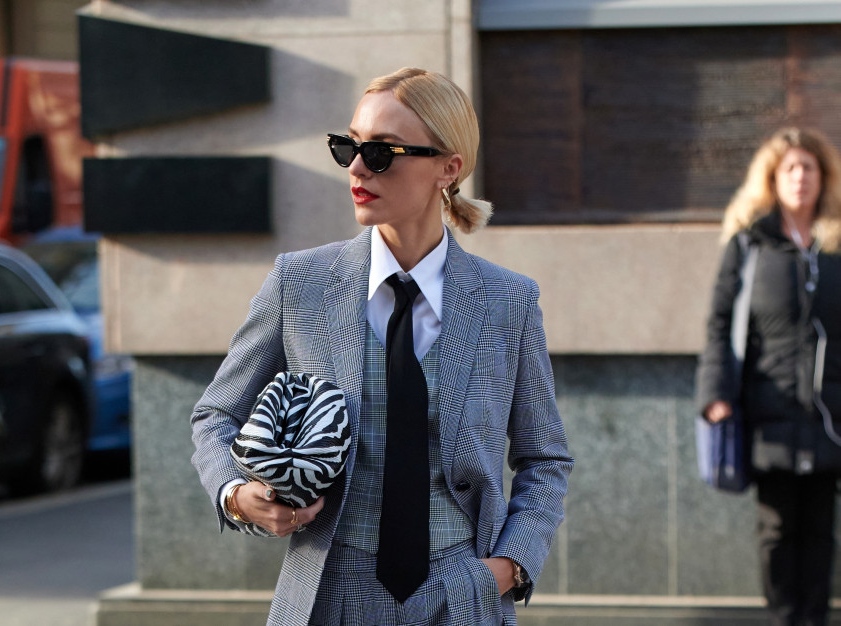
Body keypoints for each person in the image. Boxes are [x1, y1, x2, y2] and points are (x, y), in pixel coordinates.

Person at [191, 67, 572, 626]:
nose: (356, 168)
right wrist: (236, 494)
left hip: (462, 597)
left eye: (382, 152)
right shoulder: (300, 284)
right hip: (329, 595)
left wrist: (508, 567)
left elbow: (545, 457)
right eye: (349, 146)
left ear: (449, 168)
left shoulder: (506, 301)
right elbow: (216, 415)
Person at [696, 127, 841, 626]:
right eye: (790, 168)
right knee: (777, 530)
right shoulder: (750, 244)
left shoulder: (836, 244)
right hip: (767, 409)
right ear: (773, 179)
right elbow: (719, 324)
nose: (800, 177)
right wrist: (716, 394)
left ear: (824, 178)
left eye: (809, 168)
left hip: (829, 414)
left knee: (820, 529)